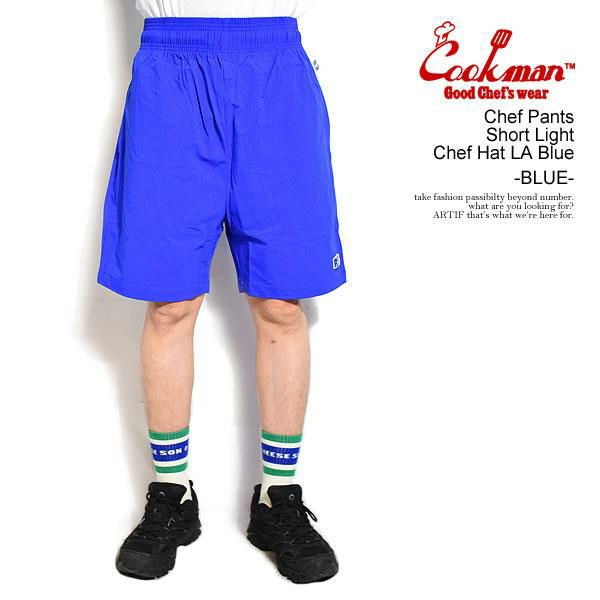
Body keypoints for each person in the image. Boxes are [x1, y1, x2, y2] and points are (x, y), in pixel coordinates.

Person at [98, 0, 346, 583]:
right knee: (170, 304)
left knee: (281, 305)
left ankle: (277, 497)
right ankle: (172, 491)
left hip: (276, 73)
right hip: (170, 69)